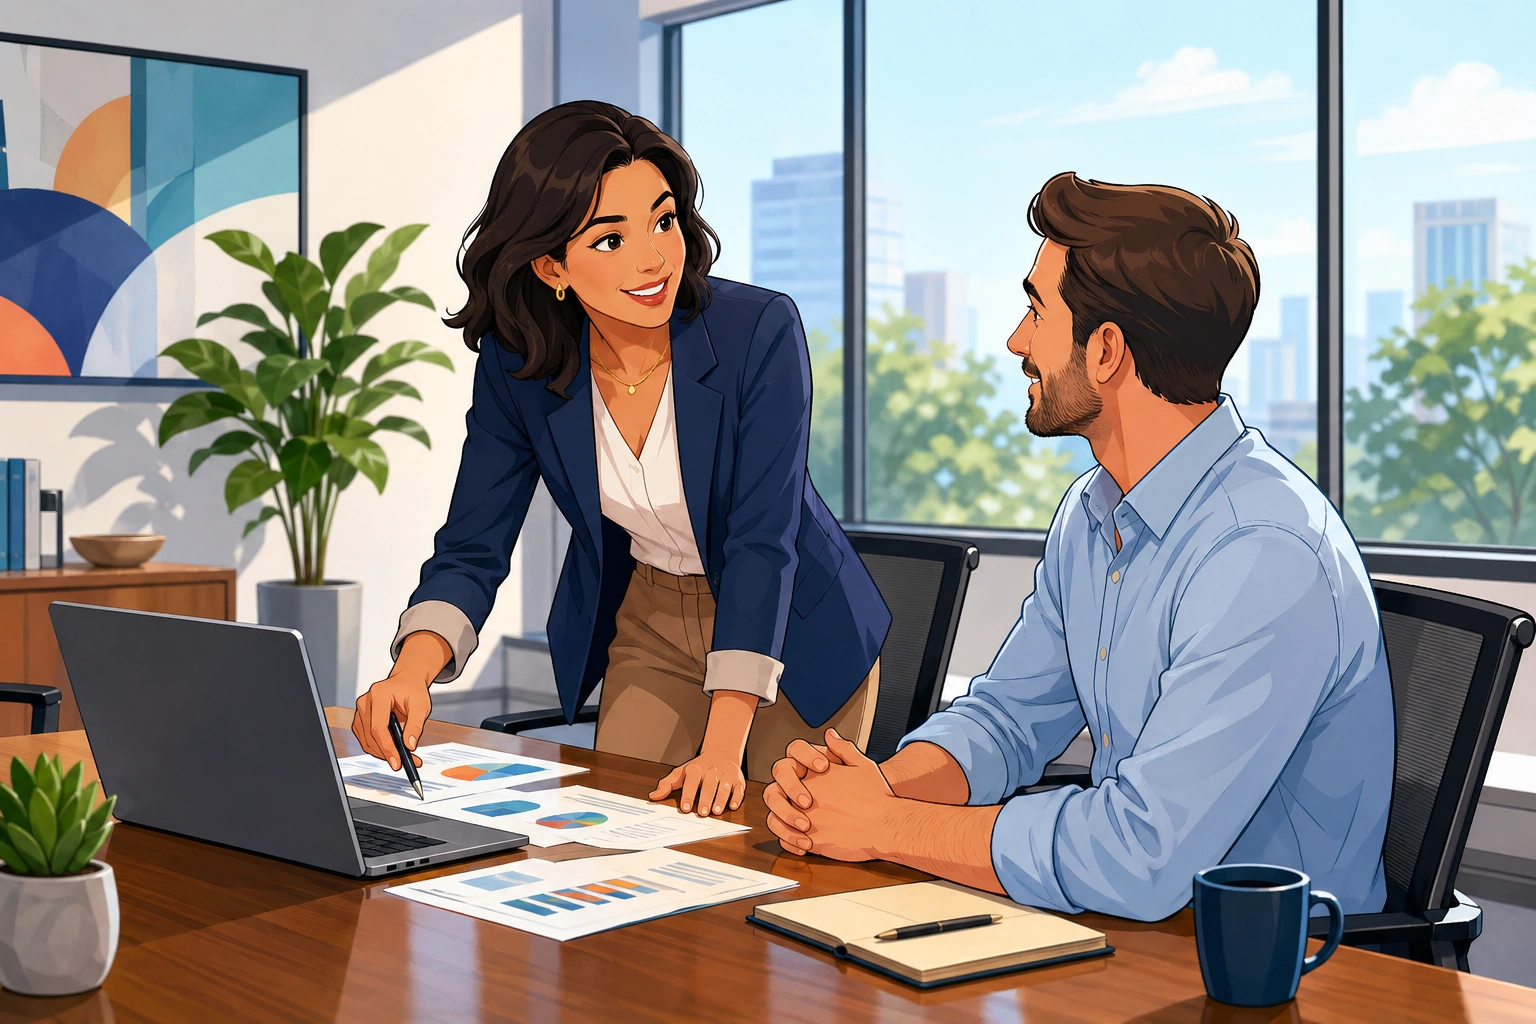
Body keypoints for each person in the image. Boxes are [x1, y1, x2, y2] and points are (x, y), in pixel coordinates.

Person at [763, 172, 1394, 920]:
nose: (1016, 341)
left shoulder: (1262, 551)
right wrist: (873, 791)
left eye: (1036, 309)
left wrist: (887, 827)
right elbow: (1007, 720)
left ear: (1106, 351)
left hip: (1264, 970)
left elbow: (1143, 856)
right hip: (1131, 932)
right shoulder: (1093, 513)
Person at [353, 101, 889, 819]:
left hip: (792, 625)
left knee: (783, 843)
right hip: (652, 618)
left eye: (664, 221)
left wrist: (723, 747)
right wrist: (410, 673)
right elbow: (474, 542)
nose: (653, 258)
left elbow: (763, 542)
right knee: (624, 834)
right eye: (610, 240)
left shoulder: (757, 331)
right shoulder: (522, 366)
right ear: (551, 266)